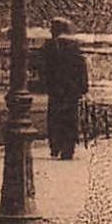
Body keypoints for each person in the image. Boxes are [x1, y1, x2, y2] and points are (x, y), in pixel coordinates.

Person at [39, 16, 90, 159]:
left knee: (55, 117)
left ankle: (56, 146)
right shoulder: (73, 46)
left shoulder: (49, 46)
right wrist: (83, 87)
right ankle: (68, 148)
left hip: (56, 89)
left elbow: (43, 68)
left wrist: (45, 84)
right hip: (71, 90)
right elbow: (81, 68)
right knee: (69, 119)